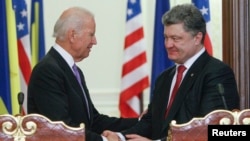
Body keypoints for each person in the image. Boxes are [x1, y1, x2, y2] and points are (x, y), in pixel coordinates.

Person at [102, 3, 240, 141]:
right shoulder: (164, 78)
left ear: (197, 38)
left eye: (176, 38)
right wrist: (120, 137)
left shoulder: (217, 73)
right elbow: (150, 121)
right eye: (166, 37)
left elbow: (209, 129)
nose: (168, 44)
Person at [27, 6, 138, 141]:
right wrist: (105, 140)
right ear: (73, 35)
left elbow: (93, 121)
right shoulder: (47, 71)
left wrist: (141, 122)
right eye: (91, 34)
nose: (94, 41)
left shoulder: (73, 70)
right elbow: (62, 129)